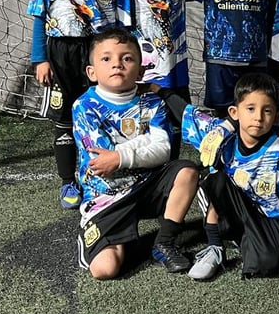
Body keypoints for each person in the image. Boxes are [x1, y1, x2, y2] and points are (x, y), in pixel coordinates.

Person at [180, 73, 279, 280]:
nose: (258, 117)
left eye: (267, 111)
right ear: (234, 112)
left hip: (266, 222)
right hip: (231, 213)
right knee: (215, 178)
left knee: (268, 264)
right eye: (251, 109)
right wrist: (161, 91)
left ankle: (248, 243)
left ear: (276, 116)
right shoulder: (222, 139)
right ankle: (215, 247)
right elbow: (185, 114)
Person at [72, 29, 200, 280]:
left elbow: (162, 151)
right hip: (107, 195)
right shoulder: (84, 106)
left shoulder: (152, 103)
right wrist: (142, 144)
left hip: (147, 186)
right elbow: (101, 161)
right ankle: (104, 231)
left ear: (141, 71)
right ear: (92, 72)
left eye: (127, 58)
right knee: (105, 270)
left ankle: (164, 242)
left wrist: (120, 156)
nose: (117, 64)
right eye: (106, 59)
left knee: (187, 171)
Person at [27, 0, 131, 209]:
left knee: (102, 112)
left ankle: (102, 176)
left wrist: (123, 57)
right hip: (61, 54)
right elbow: (39, 16)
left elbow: (124, 23)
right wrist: (40, 59)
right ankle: (68, 181)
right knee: (64, 120)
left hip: (100, 51)